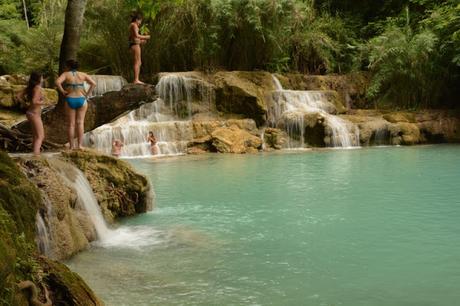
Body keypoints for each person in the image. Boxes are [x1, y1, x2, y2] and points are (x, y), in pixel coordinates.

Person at [55, 59, 96, 150]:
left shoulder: (66, 74)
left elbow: (57, 82)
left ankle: (71, 146)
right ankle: (80, 145)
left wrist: (62, 91)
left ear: (68, 66)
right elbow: (94, 84)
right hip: (82, 99)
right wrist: (88, 94)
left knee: (71, 124)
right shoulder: (83, 74)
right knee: (80, 123)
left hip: (70, 99)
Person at [18, 72, 45, 156]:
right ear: (38, 79)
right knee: (40, 136)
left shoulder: (30, 87)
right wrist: (43, 102)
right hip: (34, 114)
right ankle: (36, 155)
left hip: (30, 113)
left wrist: (24, 104)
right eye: (41, 77)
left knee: (35, 136)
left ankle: (33, 152)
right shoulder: (37, 88)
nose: (43, 79)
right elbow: (34, 101)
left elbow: (18, 96)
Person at [129, 13, 150, 84]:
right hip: (134, 46)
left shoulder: (133, 25)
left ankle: (137, 79)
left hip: (136, 44)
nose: (140, 23)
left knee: (139, 62)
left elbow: (134, 38)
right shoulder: (133, 25)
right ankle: (136, 80)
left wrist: (141, 41)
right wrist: (146, 37)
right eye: (140, 21)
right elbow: (136, 35)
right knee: (137, 62)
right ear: (137, 20)